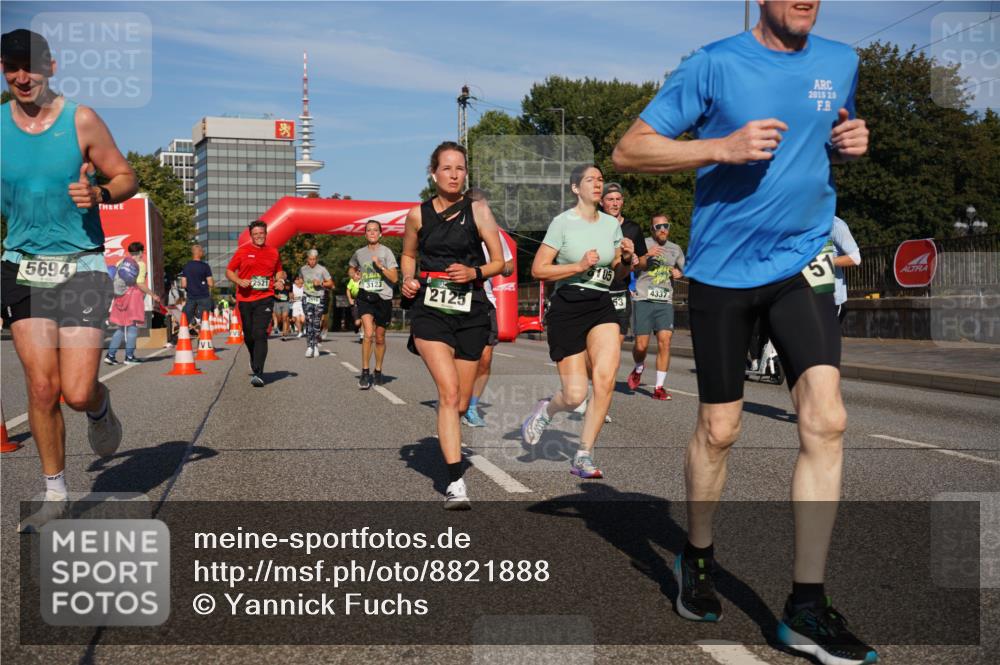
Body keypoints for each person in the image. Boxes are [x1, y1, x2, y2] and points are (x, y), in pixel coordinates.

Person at [613, 2, 875, 663]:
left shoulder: (841, 62)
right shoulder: (713, 64)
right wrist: (718, 147)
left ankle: (805, 606)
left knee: (827, 418)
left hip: (803, 259)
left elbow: (825, 137)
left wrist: (851, 142)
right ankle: (695, 556)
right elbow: (630, 149)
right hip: (724, 270)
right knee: (721, 428)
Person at [1, 29, 139, 532]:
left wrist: (101, 193)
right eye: (11, 67)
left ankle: (100, 409)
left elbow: (127, 177)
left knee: (76, 392)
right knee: (41, 386)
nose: (21, 76)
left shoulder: (80, 119)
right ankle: (55, 491)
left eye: (31, 67)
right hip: (21, 264)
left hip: (79, 263)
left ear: (51, 67)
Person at [400, 141, 504, 509]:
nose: (455, 174)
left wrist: (474, 271)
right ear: (434, 174)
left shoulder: (479, 211)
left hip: (471, 307)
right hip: (429, 308)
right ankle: (455, 481)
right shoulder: (418, 215)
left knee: (459, 402)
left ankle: (449, 428)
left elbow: (500, 263)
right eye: (447, 168)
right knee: (447, 393)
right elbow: (408, 255)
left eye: (460, 168)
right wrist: (407, 280)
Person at [520, 164, 634, 480]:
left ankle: (583, 454)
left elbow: (617, 272)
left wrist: (625, 258)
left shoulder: (612, 224)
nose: (597, 184)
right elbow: (539, 270)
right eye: (590, 180)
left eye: (600, 180)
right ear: (575, 188)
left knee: (606, 378)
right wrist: (578, 265)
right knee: (574, 396)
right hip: (568, 304)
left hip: (601, 303)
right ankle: (547, 410)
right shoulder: (562, 223)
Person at [461, 187, 514, 428]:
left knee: (485, 357)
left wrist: (491, 267)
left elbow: (509, 265)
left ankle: (471, 406)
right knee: (460, 357)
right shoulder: (456, 231)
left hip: (485, 299)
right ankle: (456, 399)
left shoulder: (493, 232)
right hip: (457, 299)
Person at [627, 214, 685, 400]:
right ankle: (638, 367)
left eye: (665, 226)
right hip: (643, 299)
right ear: (652, 229)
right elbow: (631, 266)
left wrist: (680, 272)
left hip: (664, 302)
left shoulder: (675, 249)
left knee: (665, 342)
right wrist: (646, 255)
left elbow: (686, 269)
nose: (662, 229)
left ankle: (659, 387)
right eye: (658, 226)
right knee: (641, 346)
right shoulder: (642, 243)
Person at [226, 220, 282, 386]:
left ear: (266, 234)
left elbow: (279, 270)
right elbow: (229, 271)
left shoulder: (273, 252)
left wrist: (279, 280)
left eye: (261, 233)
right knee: (249, 335)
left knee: (260, 333)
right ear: (251, 236)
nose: (259, 236)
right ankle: (254, 357)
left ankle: (259, 372)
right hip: (245, 298)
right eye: (255, 234)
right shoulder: (243, 251)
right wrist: (239, 280)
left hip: (265, 297)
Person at [349, 220, 399, 388]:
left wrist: (381, 267)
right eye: (369, 230)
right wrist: (353, 275)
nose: (372, 233)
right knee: (368, 333)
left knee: (379, 337)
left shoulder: (387, 252)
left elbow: (395, 278)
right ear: (365, 234)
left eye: (375, 230)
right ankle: (364, 371)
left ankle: (377, 370)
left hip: (383, 297)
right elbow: (351, 267)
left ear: (380, 233)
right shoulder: (359, 253)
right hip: (365, 296)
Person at [600, 182, 646, 343]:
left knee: (614, 345)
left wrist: (636, 260)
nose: (614, 203)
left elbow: (644, 260)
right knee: (596, 345)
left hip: (620, 291)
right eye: (610, 199)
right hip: (597, 290)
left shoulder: (633, 228)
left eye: (618, 199)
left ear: (622, 201)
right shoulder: (594, 225)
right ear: (601, 202)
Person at [105, 242, 161, 365]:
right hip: (132, 297)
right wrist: (153, 295)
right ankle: (129, 357)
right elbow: (140, 283)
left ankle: (110, 355)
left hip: (120, 298)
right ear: (140, 252)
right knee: (132, 327)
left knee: (120, 327)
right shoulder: (140, 264)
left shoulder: (121, 262)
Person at [298, 249, 333, 358]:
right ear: (307, 259)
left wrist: (321, 283)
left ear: (317, 259)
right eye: (310, 259)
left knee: (317, 323)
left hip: (319, 297)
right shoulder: (303, 269)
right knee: (309, 321)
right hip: (307, 297)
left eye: (314, 259)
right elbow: (300, 280)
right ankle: (309, 346)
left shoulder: (322, 269)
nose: (312, 261)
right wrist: (300, 283)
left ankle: (316, 345)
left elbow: (331, 283)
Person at [831, 216, 861, 322]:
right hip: (806, 297)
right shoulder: (799, 223)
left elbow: (855, 258)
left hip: (831, 301)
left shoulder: (835, 224)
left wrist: (824, 261)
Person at [180, 244, 214, 326]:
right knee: (204, 320)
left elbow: (183, 284)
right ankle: (203, 336)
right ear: (199, 253)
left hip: (191, 296)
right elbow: (210, 283)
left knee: (186, 318)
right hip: (204, 296)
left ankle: (185, 333)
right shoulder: (205, 266)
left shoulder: (186, 266)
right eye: (202, 251)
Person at [272, 270, 292, 339]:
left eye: (284, 274)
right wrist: (276, 296)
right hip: (277, 303)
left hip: (285, 303)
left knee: (285, 317)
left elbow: (290, 291)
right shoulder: (274, 285)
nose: (283, 275)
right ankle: (280, 327)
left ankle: (284, 334)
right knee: (279, 319)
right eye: (281, 274)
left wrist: (291, 296)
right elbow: (271, 293)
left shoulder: (287, 284)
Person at [346, 267, 362, 340]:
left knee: (364, 318)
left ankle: (362, 335)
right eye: (356, 274)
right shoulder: (351, 281)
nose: (357, 276)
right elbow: (348, 290)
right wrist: (350, 299)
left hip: (364, 300)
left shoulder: (363, 280)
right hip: (355, 301)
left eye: (358, 274)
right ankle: (356, 327)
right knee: (357, 322)